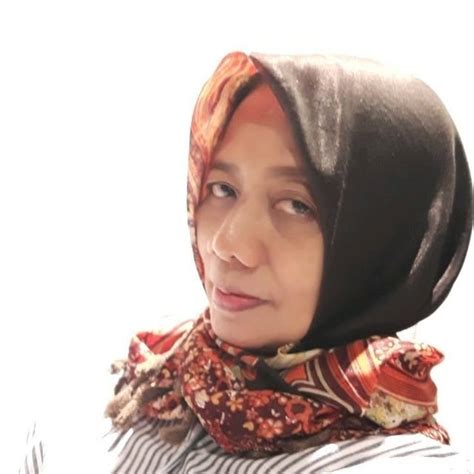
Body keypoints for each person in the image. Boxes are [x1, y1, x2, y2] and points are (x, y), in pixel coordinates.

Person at [20, 50, 473, 473]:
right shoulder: (93, 419)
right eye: (222, 188)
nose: (227, 243)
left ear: (386, 242)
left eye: (298, 205)